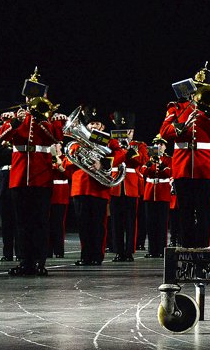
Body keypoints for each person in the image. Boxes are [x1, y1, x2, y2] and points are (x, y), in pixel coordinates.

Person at [0, 71, 66, 276]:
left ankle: (39, 262)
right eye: (29, 97)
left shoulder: (49, 117)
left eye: (35, 97)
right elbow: (3, 135)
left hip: (42, 175)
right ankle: (24, 262)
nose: (31, 100)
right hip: (19, 176)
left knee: (40, 222)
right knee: (22, 222)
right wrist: (15, 122)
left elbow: (55, 138)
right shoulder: (16, 116)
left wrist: (44, 118)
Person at [159, 66, 210, 247]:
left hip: (205, 167)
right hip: (182, 166)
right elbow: (164, 131)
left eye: (203, 87)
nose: (199, 91)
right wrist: (183, 122)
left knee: (203, 213)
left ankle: (203, 253)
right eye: (197, 87)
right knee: (184, 211)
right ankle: (186, 252)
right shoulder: (177, 107)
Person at [69, 106, 126, 266]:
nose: (94, 126)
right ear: (86, 126)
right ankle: (85, 256)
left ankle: (97, 256)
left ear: (103, 127)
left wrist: (102, 163)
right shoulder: (76, 141)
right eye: (91, 124)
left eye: (97, 124)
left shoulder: (107, 140)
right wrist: (78, 155)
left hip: (99, 188)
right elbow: (68, 161)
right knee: (83, 224)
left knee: (98, 225)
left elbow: (121, 153)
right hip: (80, 187)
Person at [108, 112, 147, 262]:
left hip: (131, 187)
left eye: (129, 131)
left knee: (131, 221)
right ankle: (118, 251)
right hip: (116, 186)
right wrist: (123, 152)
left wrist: (130, 152)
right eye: (124, 131)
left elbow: (143, 160)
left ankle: (129, 251)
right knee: (116, 221)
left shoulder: (139, 145)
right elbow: (110, 161)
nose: (127, 134)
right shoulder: (112, 145)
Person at [141, 137, 173, 258]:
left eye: (161, 144)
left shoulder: (168, 159)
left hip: (162, 193)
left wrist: (161, 165)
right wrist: (149, 164)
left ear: (165, 146)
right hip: (150, 193)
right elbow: (143, 171)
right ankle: (151, 250)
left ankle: (161, 250)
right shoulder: (148, 158)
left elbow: (170, 173)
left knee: (162, 224)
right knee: (150, 223)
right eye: (156, 144)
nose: (158, 146)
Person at [48, 143, 72, 258]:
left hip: (61, 193)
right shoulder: (47, 158)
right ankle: (47, 250)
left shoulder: (66, 158)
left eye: (55, 144)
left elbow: (68, 174)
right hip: (49, 193)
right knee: (47, 222)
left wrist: (59, 164)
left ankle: (58, 250)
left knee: (58, 223)